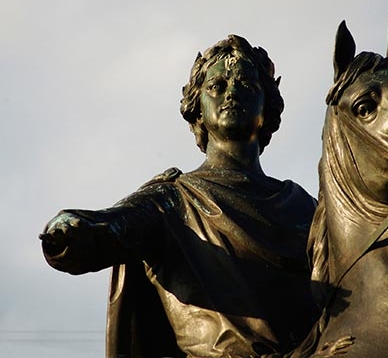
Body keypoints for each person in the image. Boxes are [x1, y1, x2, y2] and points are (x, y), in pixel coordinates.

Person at [40, 35, 319, 358]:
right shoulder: (171, 200)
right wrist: (76, 228)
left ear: (267, 108)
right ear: (196, 107)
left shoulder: (302, 206)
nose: (231, 92)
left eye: (246, 84)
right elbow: (114, 227)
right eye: (216, 85)